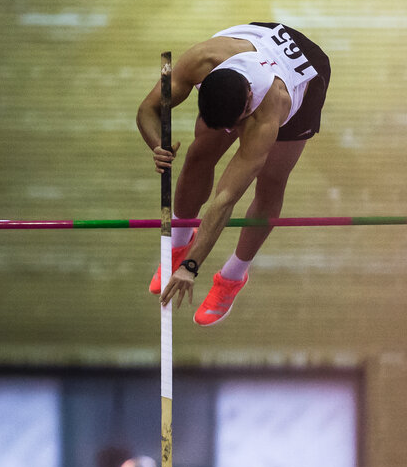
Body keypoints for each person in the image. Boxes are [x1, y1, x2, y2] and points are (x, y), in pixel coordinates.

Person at [138, 22, 331, 325]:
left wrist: (191, 267)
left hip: (304, 76)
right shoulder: (201, 60)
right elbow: (148, 109)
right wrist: (156, 146)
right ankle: (177, 242)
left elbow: (225, 199)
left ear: (247, 106)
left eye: (236, 126)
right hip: (259, 41)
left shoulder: (268, 112)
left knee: (270, 182)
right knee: (199, 153)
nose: (232, 133)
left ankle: (232, 277)